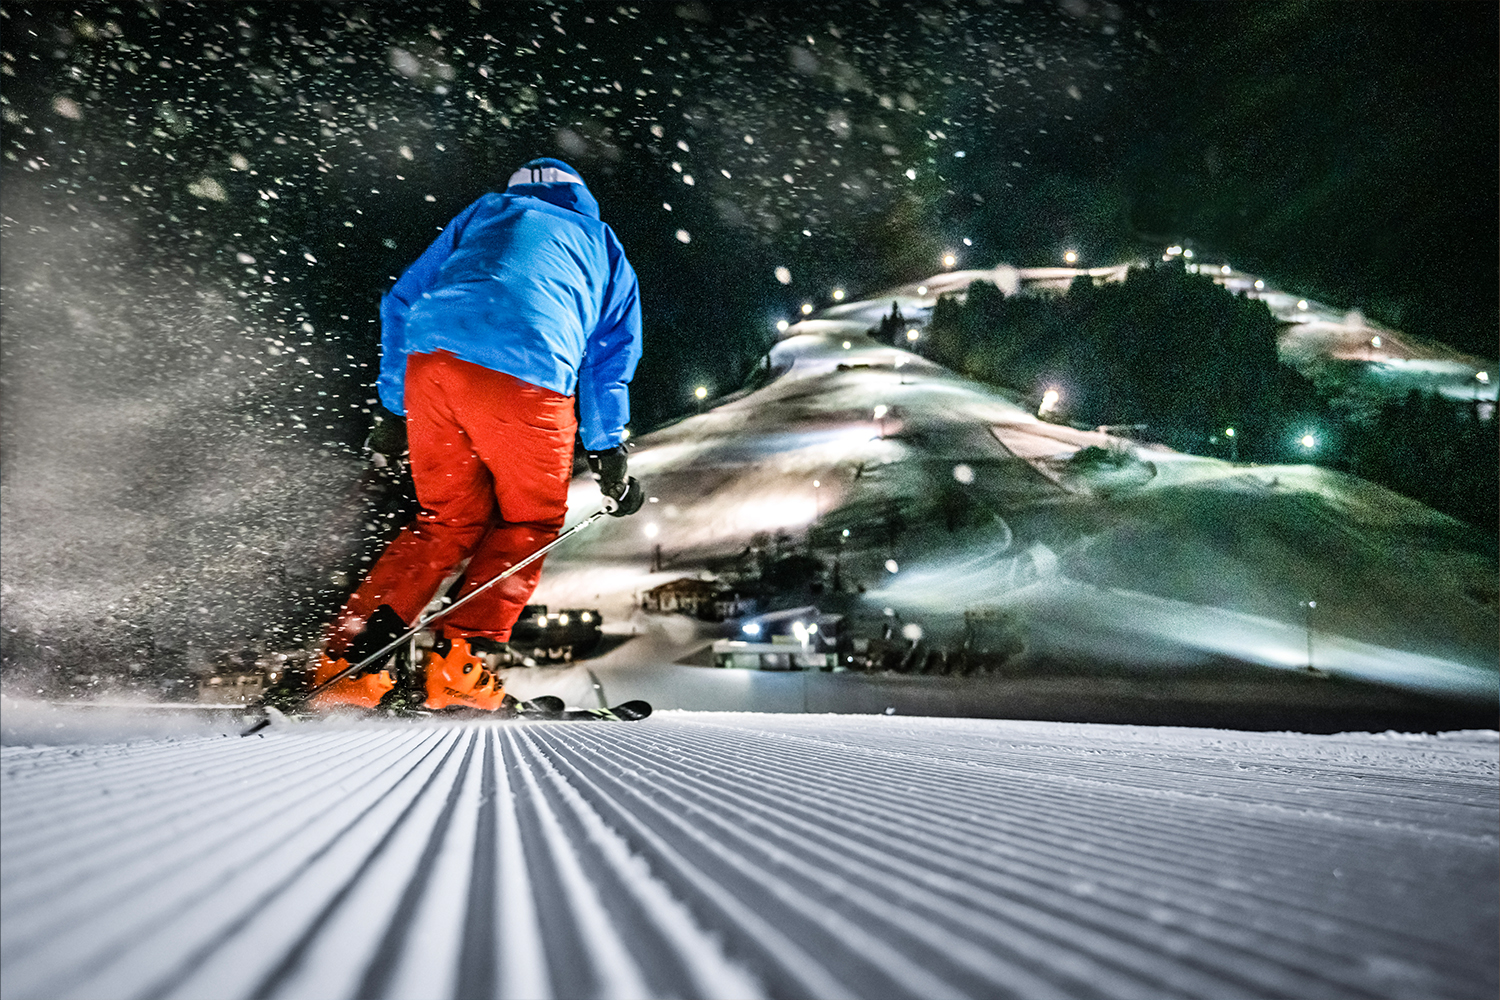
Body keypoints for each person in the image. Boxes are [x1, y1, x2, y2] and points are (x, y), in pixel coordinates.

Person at [311, 157, 644, 713]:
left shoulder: (486, 213)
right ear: (581, 197)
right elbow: (608, 359)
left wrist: (393, 409)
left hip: (432, 365)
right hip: (528, 374)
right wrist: (608, 451)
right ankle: (457, 664)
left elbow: (400, 301)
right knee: (529, 521)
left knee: (445, 521)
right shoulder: (602, 244)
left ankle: (349, 660)